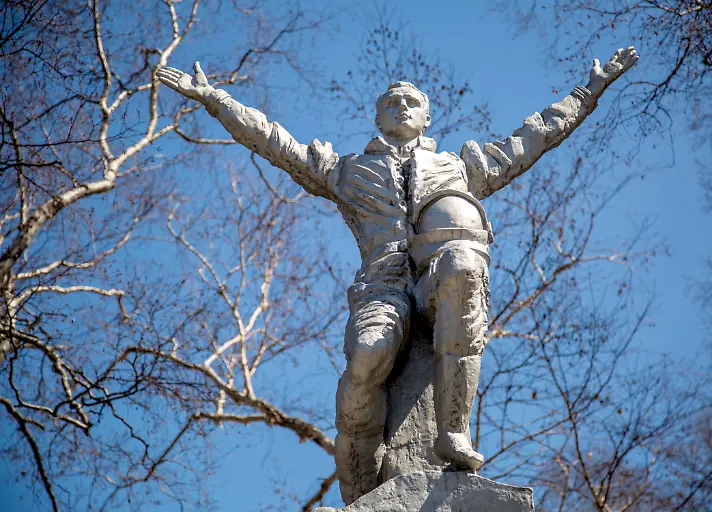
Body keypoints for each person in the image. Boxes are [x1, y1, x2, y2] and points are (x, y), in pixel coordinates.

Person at [157, 46, 639, 505]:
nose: (403, 106)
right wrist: (214, 99)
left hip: (435, 276)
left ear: (427, 118)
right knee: (368, 357)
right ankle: (360, 466)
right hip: (383, 286)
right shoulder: (348, 170)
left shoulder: (458, 166)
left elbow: (531, 138)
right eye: (393, 102)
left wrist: (588, 91)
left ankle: (453, 431)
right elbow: (274, 141)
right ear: (379, 116)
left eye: (412, 102)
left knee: (464, 267)